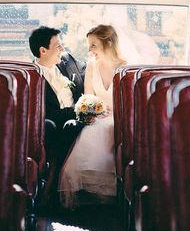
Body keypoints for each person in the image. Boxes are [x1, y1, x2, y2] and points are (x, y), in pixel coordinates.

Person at [59, 24, 126, 209]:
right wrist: (94, 110)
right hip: (99, 116)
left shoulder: (125, 68)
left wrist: (115, 113)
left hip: (121, 117)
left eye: (94, 45)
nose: (89, 50)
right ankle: (93, 194)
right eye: (89, 45)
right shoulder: (91, 65)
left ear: (109, 43)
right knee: (92, 130)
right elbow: (88, 96)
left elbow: (129, 102)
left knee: (105, 129)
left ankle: (109, 193)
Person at [29, 26, 85, 205]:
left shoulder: (67, 62)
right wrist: (76, 111)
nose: (63, 50)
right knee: (54, 127)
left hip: (74, 119)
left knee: (73, 126)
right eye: (58, 46)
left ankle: (53, 180)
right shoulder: (30, 76)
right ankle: (54, 180)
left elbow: (86, 72)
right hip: (50, 122)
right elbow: (43, 111)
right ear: (43, 50)